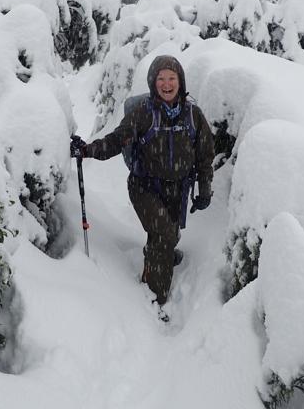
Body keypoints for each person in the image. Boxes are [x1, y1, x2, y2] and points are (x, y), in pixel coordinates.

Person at [70, 55, 215, 308]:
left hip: (177, 189)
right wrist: (87, 150)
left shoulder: (194, 115)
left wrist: (204, 190)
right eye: (161, 78)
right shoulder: (143, 114)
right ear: (153, 82)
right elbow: (117, 140)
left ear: (180, 81)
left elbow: (205, 156)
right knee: (165, 232)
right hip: (144, 187)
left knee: (167, 234)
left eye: (172, 78)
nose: (167, 84)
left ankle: (161, 256)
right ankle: (155, 299)